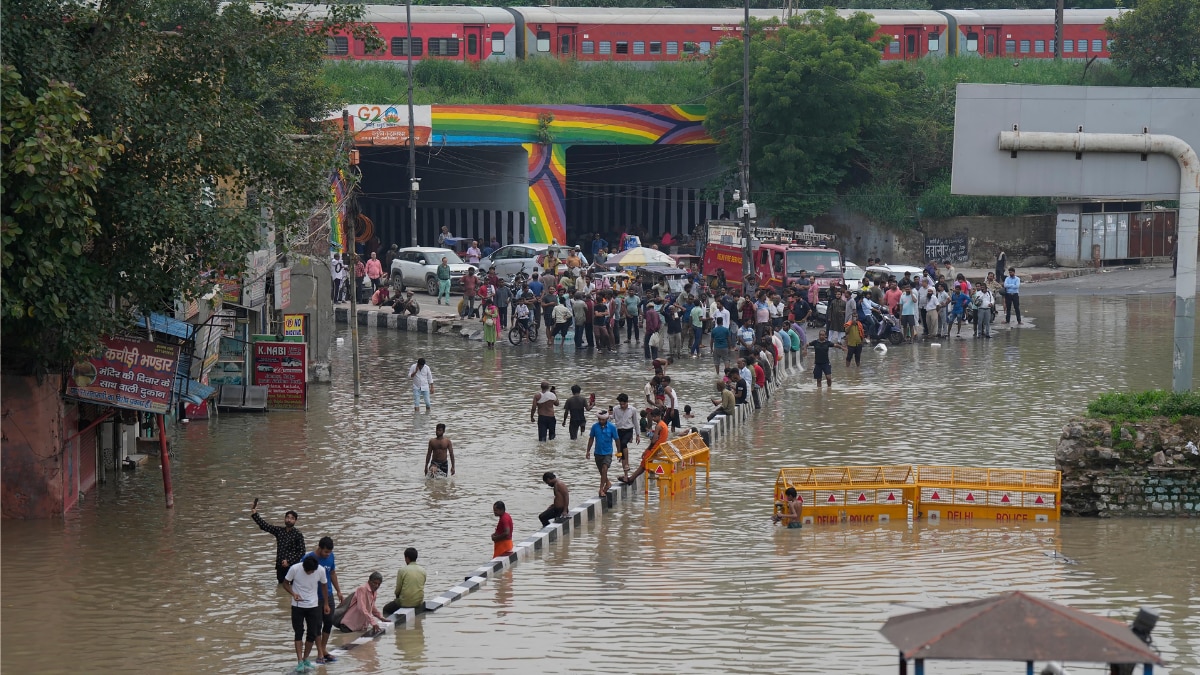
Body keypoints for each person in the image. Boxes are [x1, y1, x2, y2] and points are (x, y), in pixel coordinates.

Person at [283, 555, 328, 672]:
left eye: (312, 571)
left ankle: (305, 658)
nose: (310, 573)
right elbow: (285, 583)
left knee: (312, 633)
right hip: (298, 606)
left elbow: (324, 586)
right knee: (298, 632)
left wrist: (326, 604)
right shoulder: (295, 569)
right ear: (303, 567)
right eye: (308, 571)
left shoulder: (321, 570)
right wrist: (293, 594)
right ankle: (299, 661)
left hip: (313, 605)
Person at [302, 537, 342, 665]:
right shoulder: (308, 558)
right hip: (314, 597)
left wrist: (339, 591)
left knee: (329, 621)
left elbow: (332, 573)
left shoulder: (331, 556)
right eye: (325, 552)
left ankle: (324, 648)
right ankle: (319, 652)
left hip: (328, 595)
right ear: (319, 548)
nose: (327, 555)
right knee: (316, 625)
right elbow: (300, 576)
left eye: (329, 552)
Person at [251, 502, 306, 586]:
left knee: (292, 587)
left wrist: (289, 561)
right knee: (281, 587)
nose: (289, 520)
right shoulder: (279, 531)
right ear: (284, 519)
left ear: (295, 521)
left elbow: (302, 552)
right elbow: (264, 526)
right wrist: (255, 513)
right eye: (287, 517)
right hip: (280, 566)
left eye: (292, 518)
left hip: (292, 567)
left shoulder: (298, 534)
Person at [619, 408, 669, 485]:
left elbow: (654, 440)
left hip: (655, 448)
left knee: (643, 463)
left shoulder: (658, 426)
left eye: (654, 417)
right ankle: (636, 477)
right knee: (646, 463)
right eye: (652, 417)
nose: (653, 419)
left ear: (659, 416)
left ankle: (631, 479)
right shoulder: (664, 424)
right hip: (660, 448)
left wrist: (647, 450)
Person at [335, 572, 386, 636]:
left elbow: (372, 607)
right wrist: (373, 622)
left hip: (360, 627)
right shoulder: (362, 589)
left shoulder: (374, 592)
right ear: (369, 581)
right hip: (349, 626)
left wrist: (381, 618)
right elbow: (361, 608)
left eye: (379, 584)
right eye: (375, 583)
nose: (376, 586)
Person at [382, 548, 426, 616]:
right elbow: (421, 585)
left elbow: (398, 590)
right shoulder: (423, 570)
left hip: (405, 603)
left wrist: (397, 598)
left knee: (386, 609)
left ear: (407, 558)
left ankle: (391, 622)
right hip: (419, 602)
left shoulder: (402, 570)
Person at [586, 410, 620, 497]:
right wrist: (588, 451)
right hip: (597, 452)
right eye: (599, 419)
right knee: (602, 472)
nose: (601, 421)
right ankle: (608, 483)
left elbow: (617, 440)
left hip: (608, 452)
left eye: (603, 420)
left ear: (607, 418)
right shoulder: (594, 427)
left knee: (605, 468)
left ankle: (601, 489)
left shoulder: (612, 427)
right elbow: (591, 439)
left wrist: (619, 452)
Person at [611, 393, 640, 480]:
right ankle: (626, 474)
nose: (622, 406)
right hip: (619, 431)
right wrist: (607, 415)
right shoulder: (615, 409)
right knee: (621, 452)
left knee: (623, 443)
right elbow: (611, 418)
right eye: (621, 404)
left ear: (627, 402)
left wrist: (637, 435)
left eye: (624, 404)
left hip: (628, 431)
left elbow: (635, 422)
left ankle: (626, 464)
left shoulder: (632, 410)